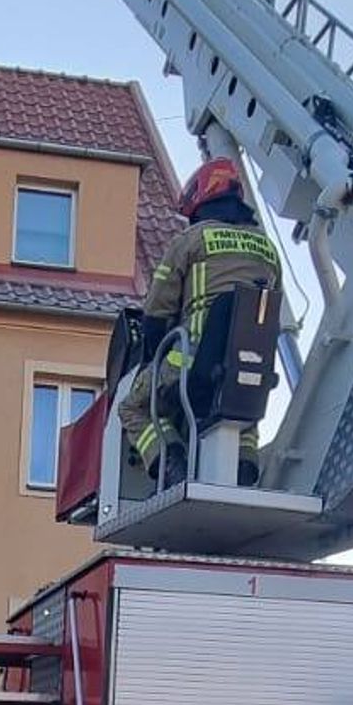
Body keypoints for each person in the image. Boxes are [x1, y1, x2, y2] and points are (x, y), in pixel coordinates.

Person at [119, 155, 281, 487]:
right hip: (251, 366)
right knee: (242, 414)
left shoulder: (190, 241)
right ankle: (244, 465)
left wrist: (152, 361)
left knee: (135, 406)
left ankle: (170, 461)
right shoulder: (267, 249)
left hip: (190, 360)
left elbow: (157, 313)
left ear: (200, 198)